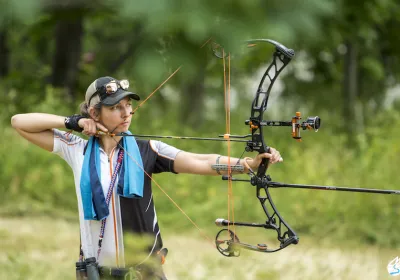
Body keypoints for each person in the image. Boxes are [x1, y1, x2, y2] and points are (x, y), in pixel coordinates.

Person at [11, 77, 283, 280]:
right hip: (96, 271)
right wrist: (73, 122)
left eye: (128, 106)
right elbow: (19, 122)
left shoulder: (147, 150)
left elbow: (199, 160)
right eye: (116, 107)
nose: (126, 113)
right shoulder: (77, 149)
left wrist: (247, 164)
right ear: (94, 113)